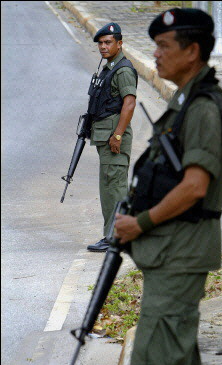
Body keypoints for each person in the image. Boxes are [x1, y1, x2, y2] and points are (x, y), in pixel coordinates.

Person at [114, 8, 222, 365]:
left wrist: (139, 224)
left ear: (192, 52)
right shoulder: (185, 104)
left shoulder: (202, 107)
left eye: (164, 46)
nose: (155, 54)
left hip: (180, 254)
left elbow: (195, 186)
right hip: (172, 253)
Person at [86, 23, 137, 252]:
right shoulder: (109, 68)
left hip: (113, 140)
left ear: (119, 43)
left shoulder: (123, 70)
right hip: (106, 139)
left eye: (108, 42)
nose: (103, 47)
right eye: (100, 43)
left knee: (114, 189)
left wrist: (117, 134)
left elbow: (130, 102)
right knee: (109, 189)